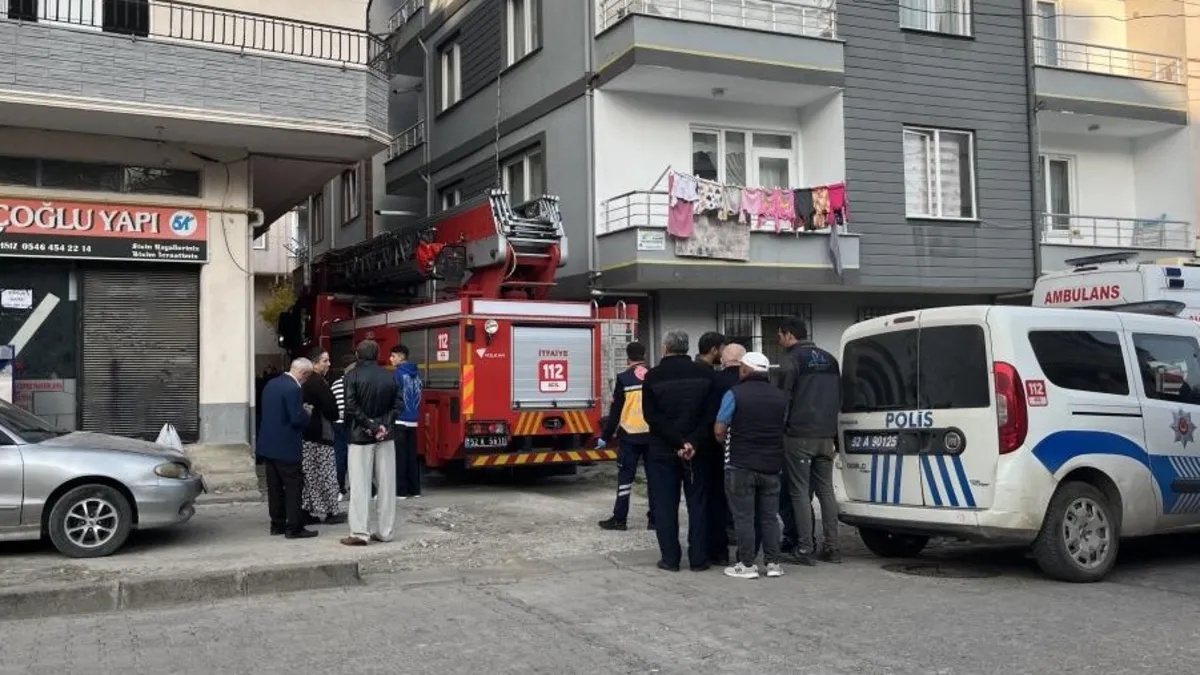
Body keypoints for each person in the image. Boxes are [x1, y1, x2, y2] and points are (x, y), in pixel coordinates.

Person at [643, 329, 719, 572]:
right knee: (698, 504)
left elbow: (652, 416)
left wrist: (677, 442)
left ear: (665, 348)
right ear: (687, 347)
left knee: (665, 505)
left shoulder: (653, 376)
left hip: (663, 451)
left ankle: (670, 559)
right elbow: (711, 415)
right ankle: (699, 559)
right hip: (699, 451)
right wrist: (692, 442)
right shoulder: (706, 374)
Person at [714, 351, 788, 579]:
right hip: (772, 465)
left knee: (744, 517)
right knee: (769, 517)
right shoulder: (780, 396)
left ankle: (746, 564)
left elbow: (719, 428)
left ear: (745, 370)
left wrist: (725, 440)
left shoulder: (734, 394)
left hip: (740, 464)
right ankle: (773, 563)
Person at [778, 317, 843, 565]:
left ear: (789, 335)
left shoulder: (792, 360)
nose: (779, 340)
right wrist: (835, 436)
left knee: (799, 493)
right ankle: (832, 547)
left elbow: (784, 400)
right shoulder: (831, 360)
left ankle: (805, 548)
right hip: (826, 436)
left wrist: (780, 432)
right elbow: (839, 398)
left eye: (780, 335)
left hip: (798, 436)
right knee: (826, 491)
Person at [340, 340, 399, 546]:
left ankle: (359, 532)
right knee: (387, 485)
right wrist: (382, 426)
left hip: (360, 437)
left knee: (360, 485)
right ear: (378, 354)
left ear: (358, 355)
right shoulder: (391, 376)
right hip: (386, 436)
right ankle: (385, 531)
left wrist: (370, 426)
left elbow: (351, 407)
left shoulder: (352, 376)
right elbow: (398, 405)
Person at [597, 341, 655, 532]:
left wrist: (605, 436)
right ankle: (654, 519)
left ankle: (620, 519)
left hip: (630, 435)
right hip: (652, 435)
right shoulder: (654, 375)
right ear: (644, 355)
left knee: (625, 479)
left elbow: (616, 411)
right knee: (654, 479)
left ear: (628, 357)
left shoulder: (623, 378)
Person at [256, 358, 317, 539]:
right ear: (304, 374)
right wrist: (307, 413)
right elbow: (296, 419)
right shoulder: (294, 389)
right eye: (307, 376)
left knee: (274, 487)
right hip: (287, 446)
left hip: (268, 444)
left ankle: (277, 524)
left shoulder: (271, 384)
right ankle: (294, 527)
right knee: (293, 486)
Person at [693, 331, 730, 565]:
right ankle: (717, 551)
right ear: (715, 349)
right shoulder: (714, 378)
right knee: (715, 499)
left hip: (693, 444)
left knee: (699, 499)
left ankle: (702, 550)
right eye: (723, 349)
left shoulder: (693, 372)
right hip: (711, 445)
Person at [300, 349, 345, 525]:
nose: (329, 364)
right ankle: (330, 511)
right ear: (314, 363)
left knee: (309, 475)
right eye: (325, 361)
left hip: (307, 434)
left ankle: (306, 511)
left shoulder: (305, 381)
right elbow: (331, 409)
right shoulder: (318, 382)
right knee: (326, 474)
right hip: (320, 434)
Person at [390, 344, 424, 499]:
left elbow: (392, 396)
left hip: (400, 420)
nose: (391, 359)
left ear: (401, 357)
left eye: (393, 356)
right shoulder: (416, 374)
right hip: (413, 420)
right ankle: (415, 490)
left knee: (400, 457)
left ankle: (401, 491)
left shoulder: (397, 374)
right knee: (412, 456)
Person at [329, 356, 355, 495]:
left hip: (337, 423)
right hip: (352, 423)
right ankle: (358, 486)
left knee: (339, 455)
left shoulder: (335, 384)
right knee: (355, 455)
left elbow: (332, 403)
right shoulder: (354, 382)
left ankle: (340, 488)